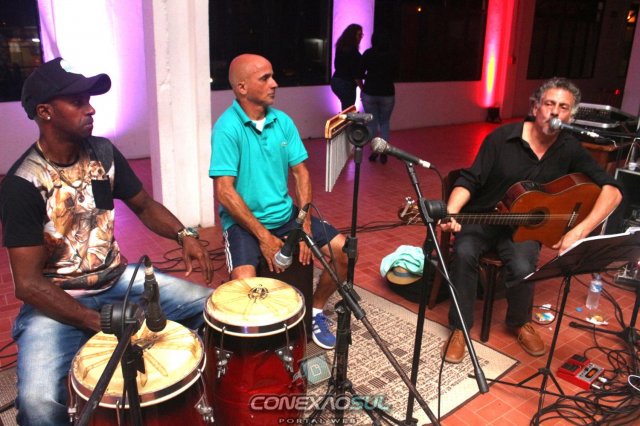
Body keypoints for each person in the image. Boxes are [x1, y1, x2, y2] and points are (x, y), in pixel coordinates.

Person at [0, 57, 213, 425]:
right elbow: (29, 285)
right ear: (45, 111)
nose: (91, 108)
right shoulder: (22, 183)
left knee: (213, 309)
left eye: (89, 100)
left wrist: (184, 235)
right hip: (56, 298)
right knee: (38, 405)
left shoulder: (104, 153)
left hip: (118, 280)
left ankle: (191, 404)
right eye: (77, 102)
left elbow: (144, 205)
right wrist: (95, 321)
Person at [439, 77, 622, 364]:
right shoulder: (501, 138)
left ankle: (519, 322)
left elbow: (613, 191)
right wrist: (451, 211)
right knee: (463, 253)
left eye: (563, 107)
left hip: (525, 224)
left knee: (524, 266)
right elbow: (469, 179)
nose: (555, 112)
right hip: (484, 216)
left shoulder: (570, 148)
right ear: (536, 107)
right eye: (549, 104)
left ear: (570, 117)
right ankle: (459, 327)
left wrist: (579, 231)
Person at [209, 54, 348, 350]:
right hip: (244, 225)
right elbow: (225, 192)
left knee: (343, 251)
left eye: (272, 76)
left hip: (287, 216)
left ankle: (315, 311)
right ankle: (259, 339)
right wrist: (264, 237)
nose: (275, 83)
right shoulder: (227, 128)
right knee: (243, 285)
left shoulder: (282, 122)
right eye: (265, 78)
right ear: (242, 87)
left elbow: (301, 173)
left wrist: (304, 224)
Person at [361, 31, 396, 164]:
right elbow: (395, 72)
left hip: (370, 91)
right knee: (385, 122)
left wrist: (366, 83)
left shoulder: (368, 54)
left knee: (372, 124)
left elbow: (360, 71)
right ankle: (383, 151)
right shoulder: (392, 55)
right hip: (387, 92)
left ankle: (375, 150)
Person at [330, 24, 364, 111]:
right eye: (359, 35)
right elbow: (356, 74)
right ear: (353, 35)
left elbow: (337, 65)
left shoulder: (341, 47)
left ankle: (343, 119)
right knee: (349, 110)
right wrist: (363, 88)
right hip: (346, 83)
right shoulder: (353, 52)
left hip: (336, 80)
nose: (361, 37)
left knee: (347, 109)